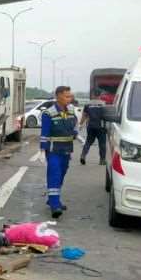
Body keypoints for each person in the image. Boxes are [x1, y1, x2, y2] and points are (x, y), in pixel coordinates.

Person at [39, 86, 78, 218]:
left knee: (62, 174)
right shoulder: (48, 113)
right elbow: (44, 134)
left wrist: (75, 133)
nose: (70, 98)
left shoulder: (72, 110)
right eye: (67, 96)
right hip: (53, 150)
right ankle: (55, 206)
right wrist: (42, 151)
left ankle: (53, 198)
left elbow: (75, 125)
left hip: (67, 149)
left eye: (70, 96)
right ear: (58, 97)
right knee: (54, 174)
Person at [80, 97, 107, 165]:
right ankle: (102, 160)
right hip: (101, 127)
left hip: (91, 126)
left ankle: (83, 155)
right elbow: (107, 116)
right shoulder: (103, 104)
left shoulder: (87, 104)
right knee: (102, 144)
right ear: (100, 95)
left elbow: (84, 115)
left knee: (88, 142)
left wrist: (80, 124)